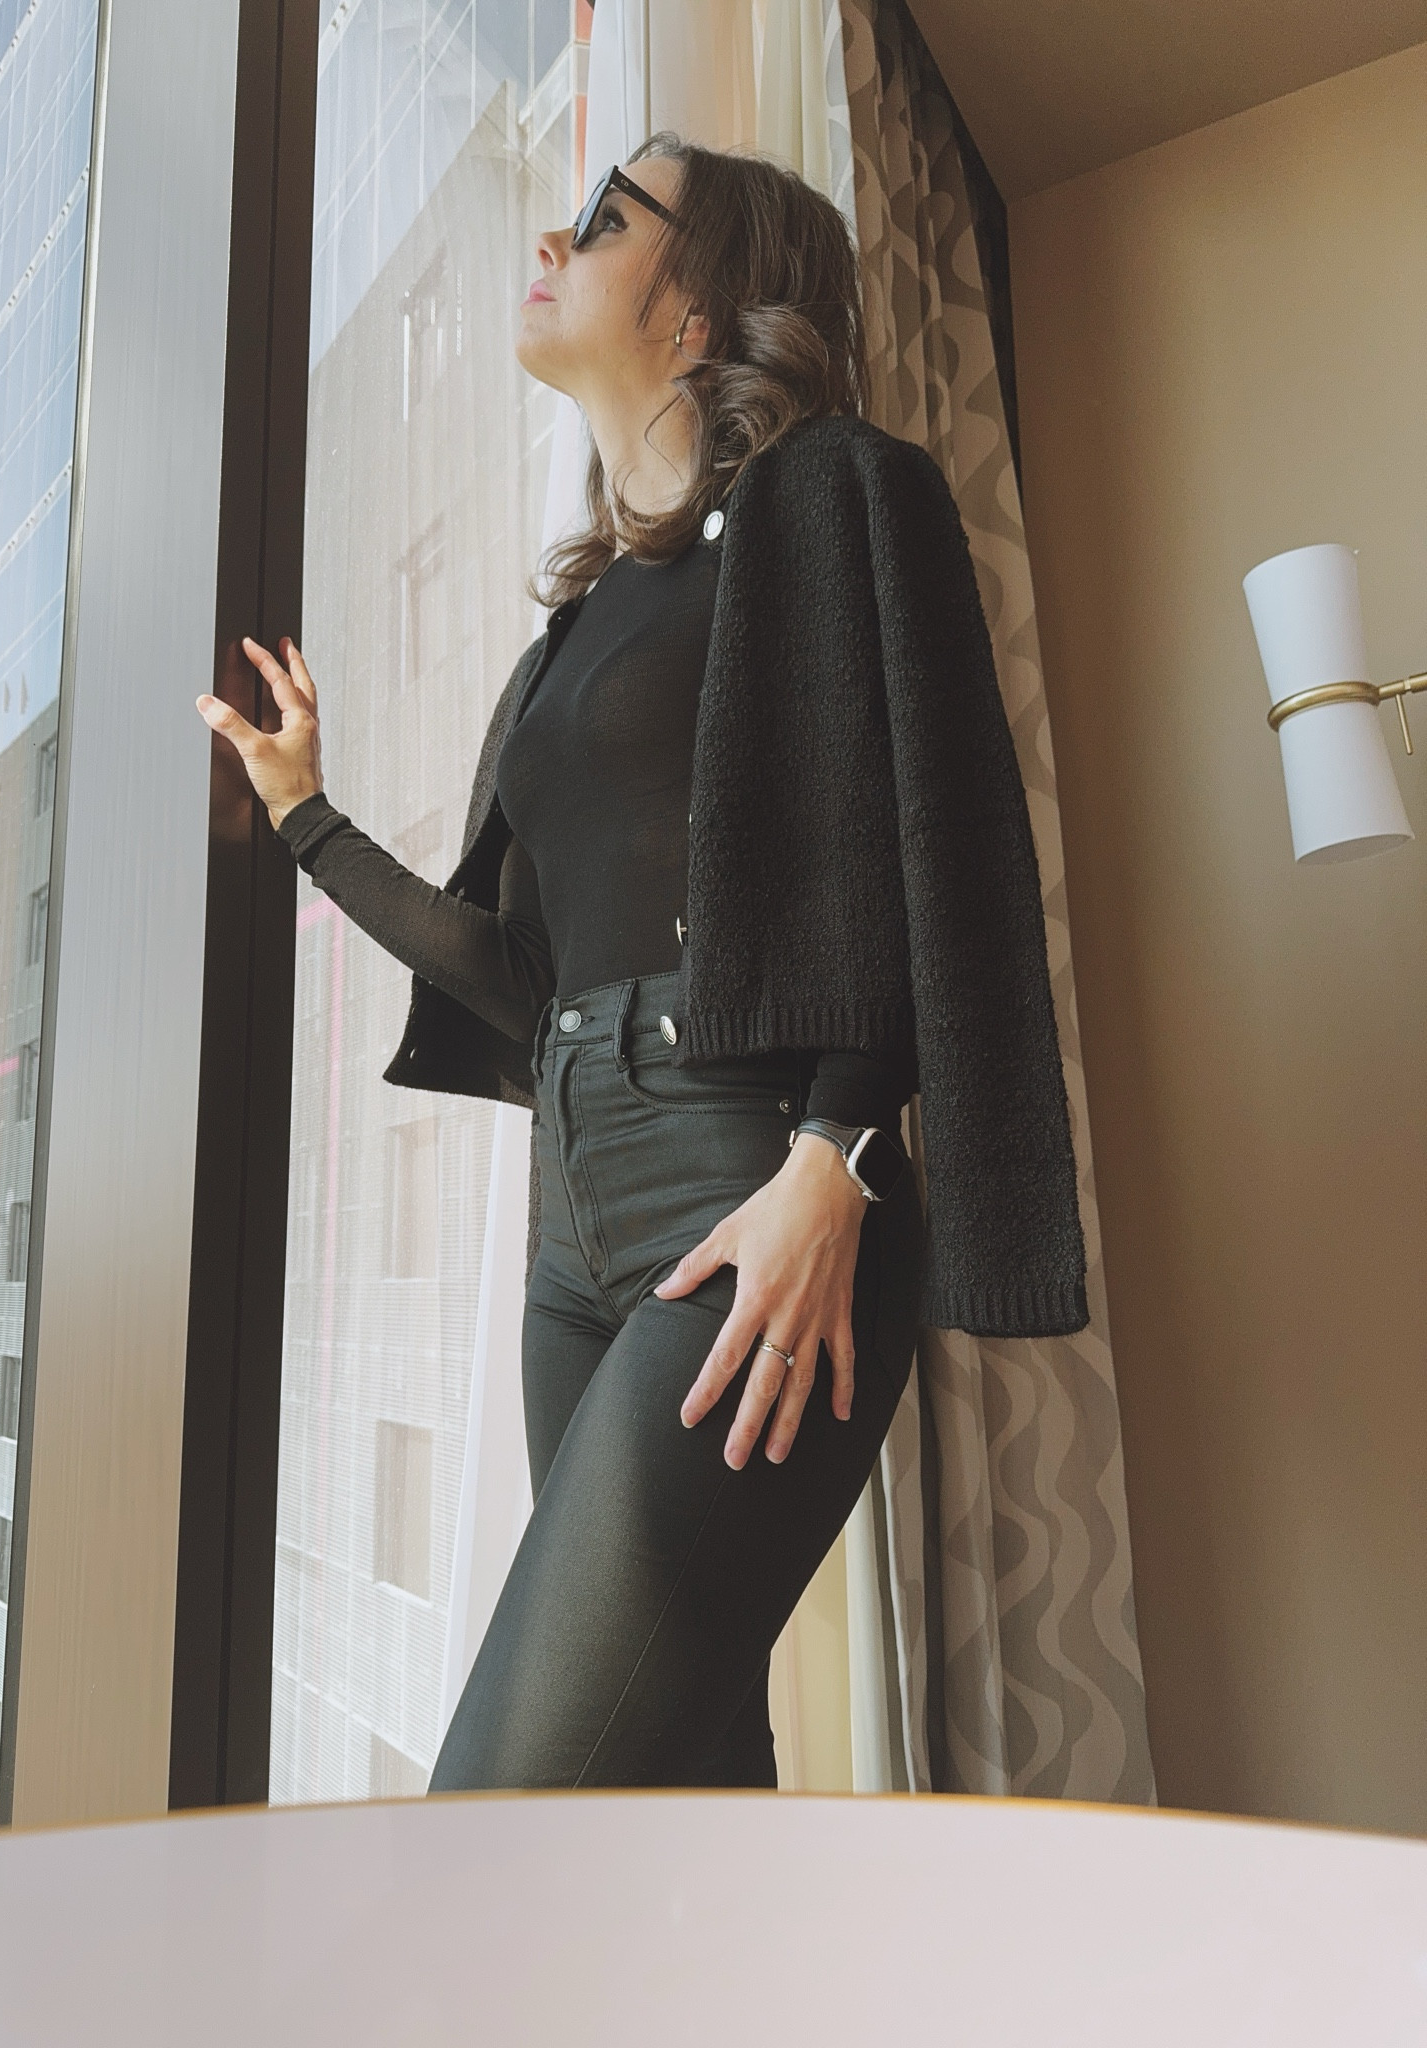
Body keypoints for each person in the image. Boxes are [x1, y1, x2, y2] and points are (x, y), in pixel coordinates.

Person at [195, 137, 1088, 1791]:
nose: (554, 233)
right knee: (676, 1784)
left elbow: (935, 834)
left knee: (511, 1804)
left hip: (755, 1176)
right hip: (576, 1217)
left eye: (607, 217)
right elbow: (523, 972)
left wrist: (838, 1151)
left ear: (701, 312)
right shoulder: (582, 622)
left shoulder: (840, 490)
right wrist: (308, 816)